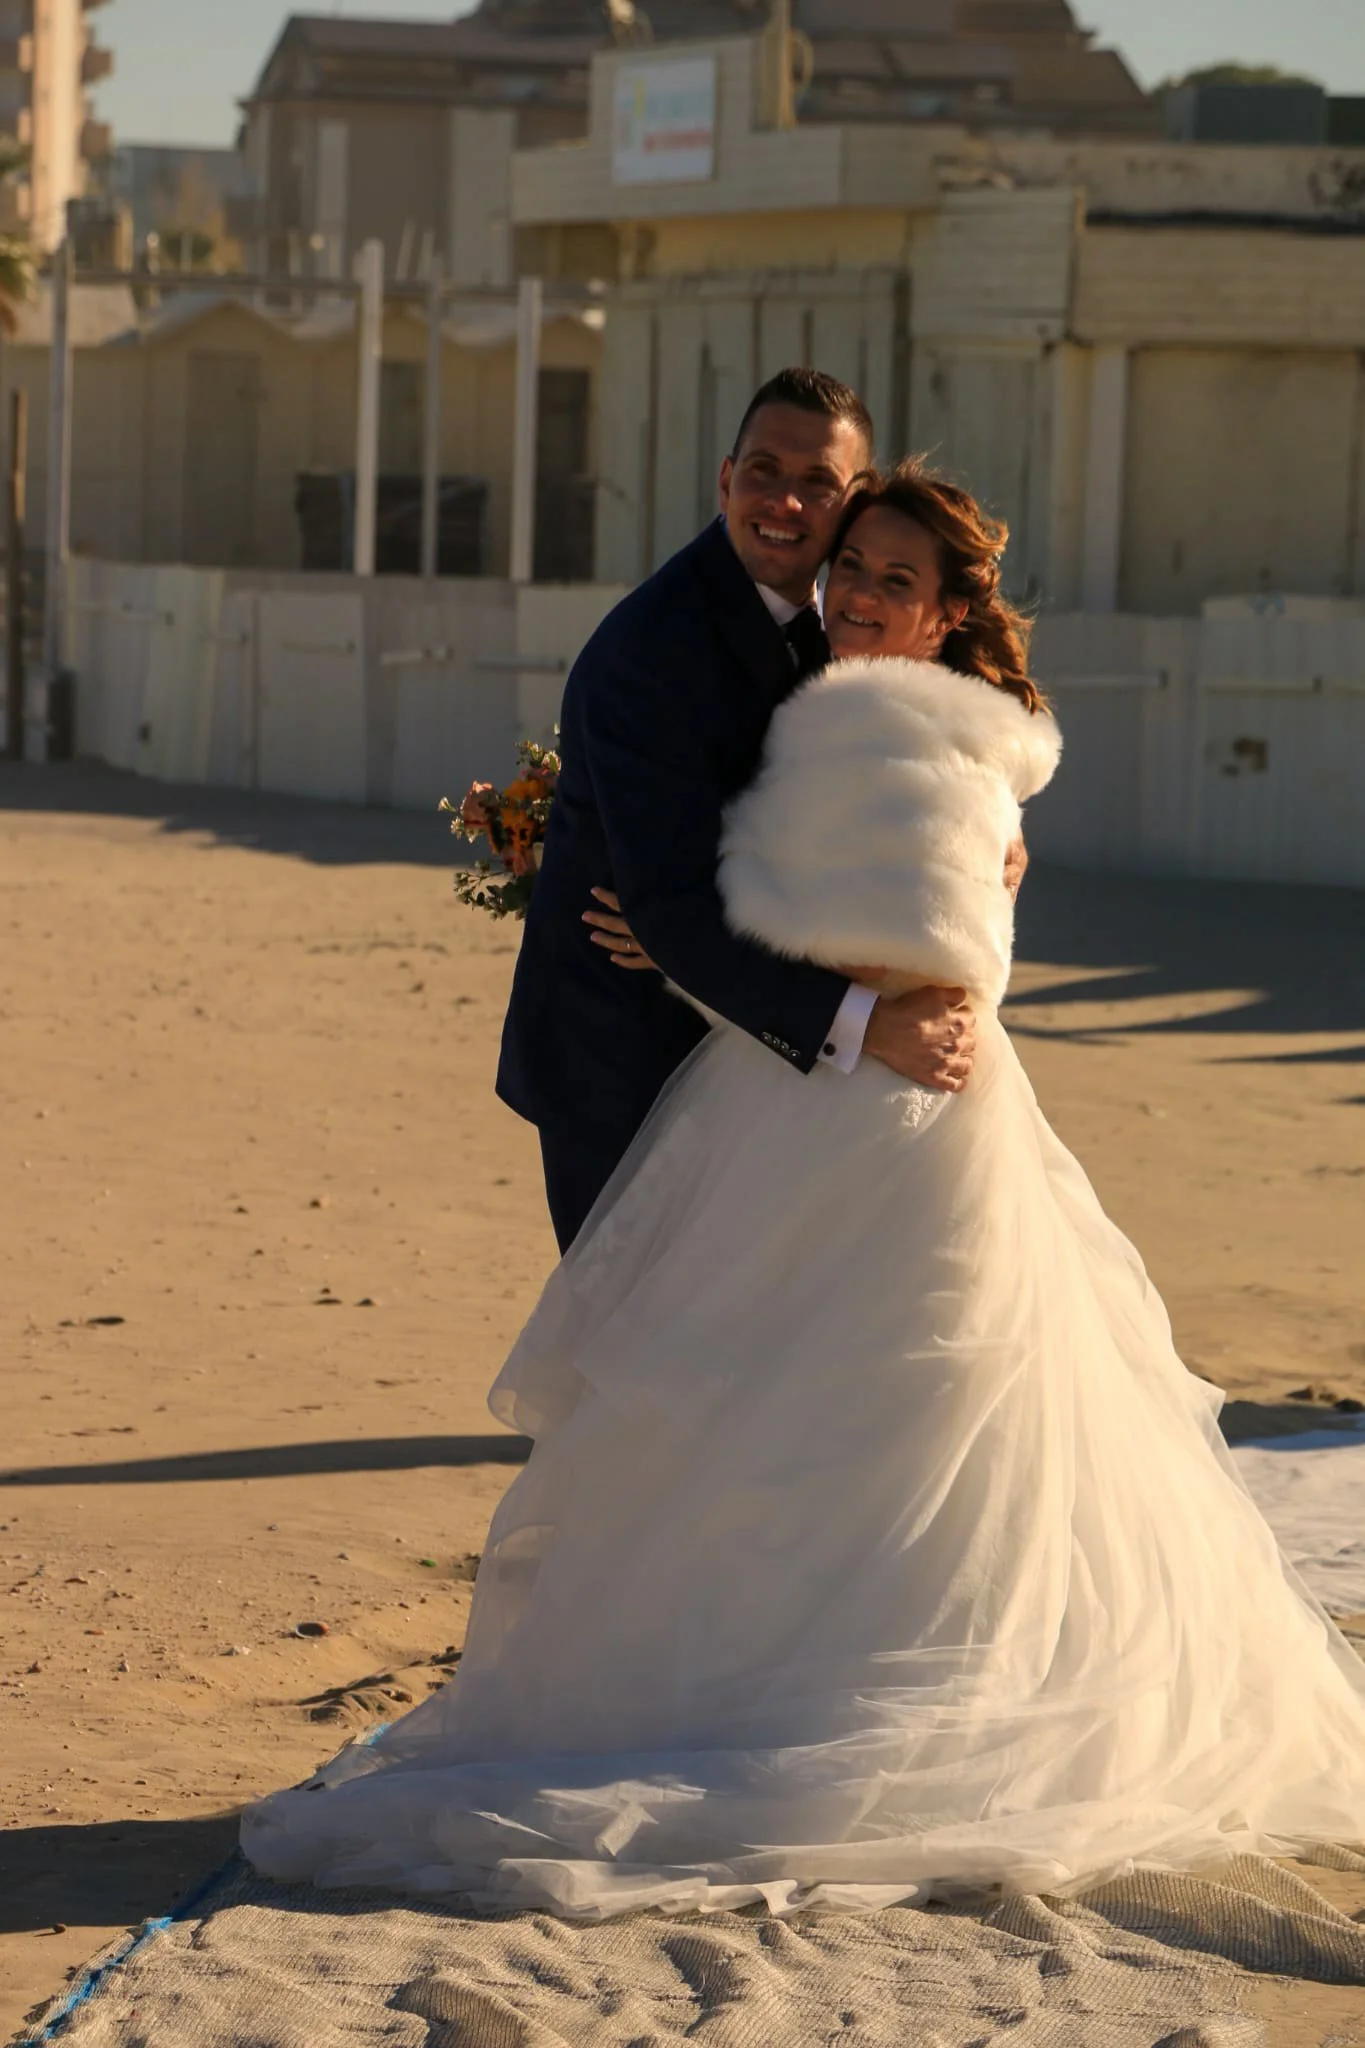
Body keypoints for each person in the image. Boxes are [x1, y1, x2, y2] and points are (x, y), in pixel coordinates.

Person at [243, 460, 1365, 1915]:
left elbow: (913, 944)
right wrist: (704, 939)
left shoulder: (895, 727)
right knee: (804, 1414)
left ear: (949, 612)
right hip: (814, 1098)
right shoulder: (876, 712)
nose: (857, 595)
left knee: (859, 1413)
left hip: (871, 1125)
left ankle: (809, 1712)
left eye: (895, 580)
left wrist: (695, 942)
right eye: (851, 568)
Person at [495, 367, 990, 1253]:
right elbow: (667, 912)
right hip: (625, 1058)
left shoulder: (837, 618)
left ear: (852, 502)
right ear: (724, 480)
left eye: (816, 484)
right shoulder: (651, 654)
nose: (784, 503)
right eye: (764, 471)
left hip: (748, 1058)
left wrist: (995, 837)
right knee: (643, 1359)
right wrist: (868, 1026)